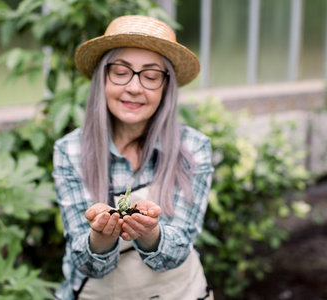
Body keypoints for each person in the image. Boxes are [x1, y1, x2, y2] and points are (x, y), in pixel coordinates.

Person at [52, 14, 214, 300]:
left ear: (166, 88)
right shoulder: (71, 151)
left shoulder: (193, 148)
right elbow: (84, 261)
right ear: (103, 78)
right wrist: (101, 237)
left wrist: (151, 234)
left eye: (151, 76)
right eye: (121, 72)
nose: (135, 87)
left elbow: (179, 249)